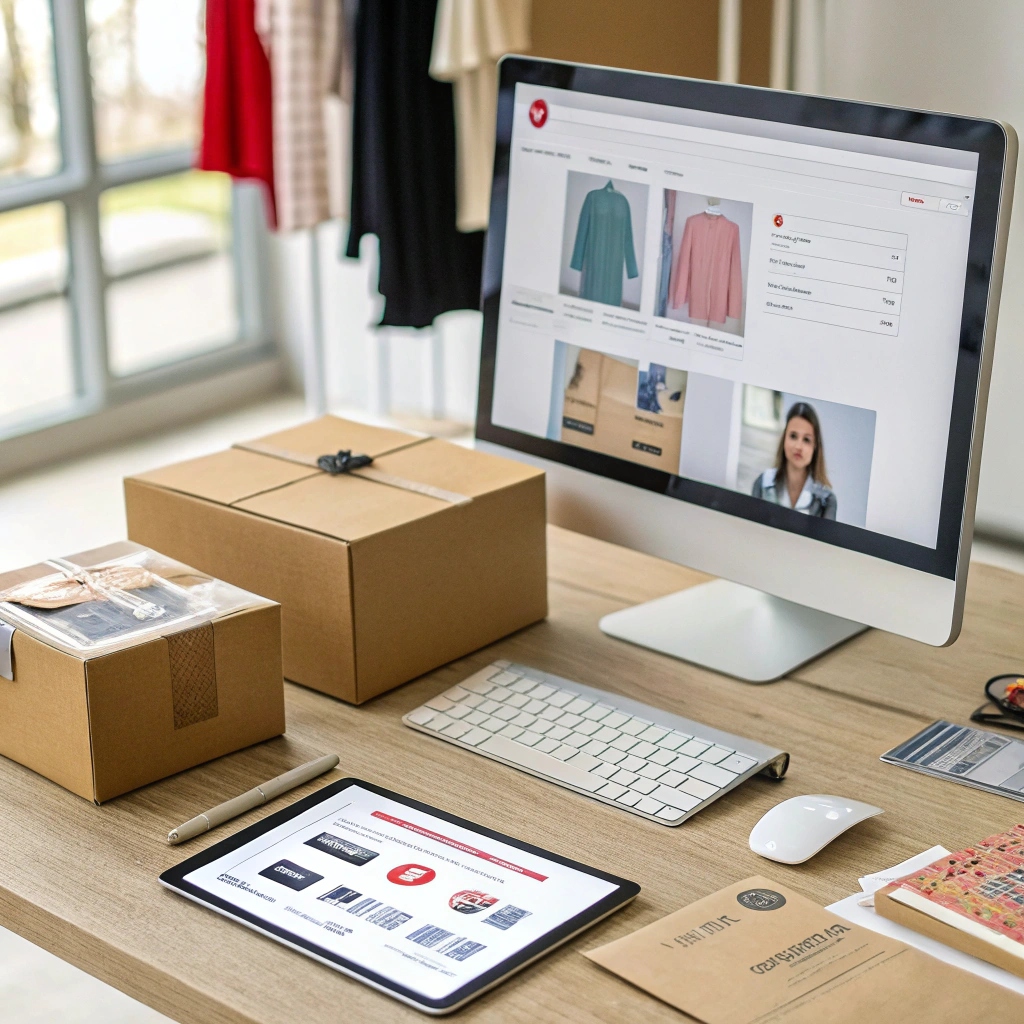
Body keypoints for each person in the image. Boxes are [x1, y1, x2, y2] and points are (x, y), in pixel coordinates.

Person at [751, 402, 837, 519]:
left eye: (806, 440)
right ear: (784, 438)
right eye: (793, 436)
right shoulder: (762, 483)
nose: (798, 446)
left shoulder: (826, 500)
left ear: (815, 446)